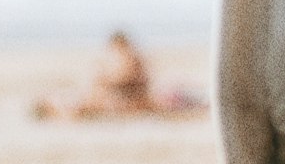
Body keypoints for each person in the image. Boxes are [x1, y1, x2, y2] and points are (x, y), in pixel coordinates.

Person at [31, 31, 205, 120]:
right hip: (125, 99)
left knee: (172, 93)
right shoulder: (111, 64)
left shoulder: (119, 62)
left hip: (130, 98)